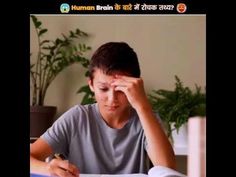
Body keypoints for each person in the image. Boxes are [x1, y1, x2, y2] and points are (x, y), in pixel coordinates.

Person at [30, 42, 176, 177]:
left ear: (135, 87)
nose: (112, 99)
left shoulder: (146, 119)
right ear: (92, 85)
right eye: (103, 88)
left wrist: (142, 105)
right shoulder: (77, 118)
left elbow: (167, 169)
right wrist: (48, 168)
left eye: (120, 89)